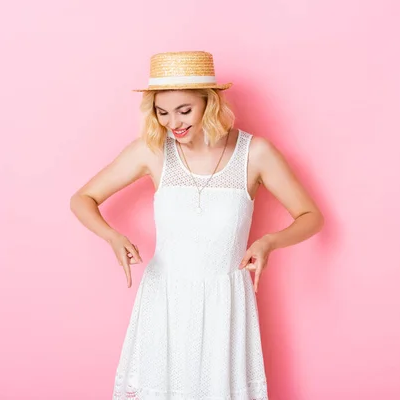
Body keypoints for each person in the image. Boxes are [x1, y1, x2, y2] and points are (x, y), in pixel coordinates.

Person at [70, 51, 324, 399]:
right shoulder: (153, 151)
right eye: (162, 112)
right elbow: (83, 199)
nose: (173, 123)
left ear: (210, 103)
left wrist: (270, 241)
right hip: (165, 298)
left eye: (184, 110)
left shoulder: (256, 153)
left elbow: (311, 216)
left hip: (225, 300)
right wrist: (112, 236)